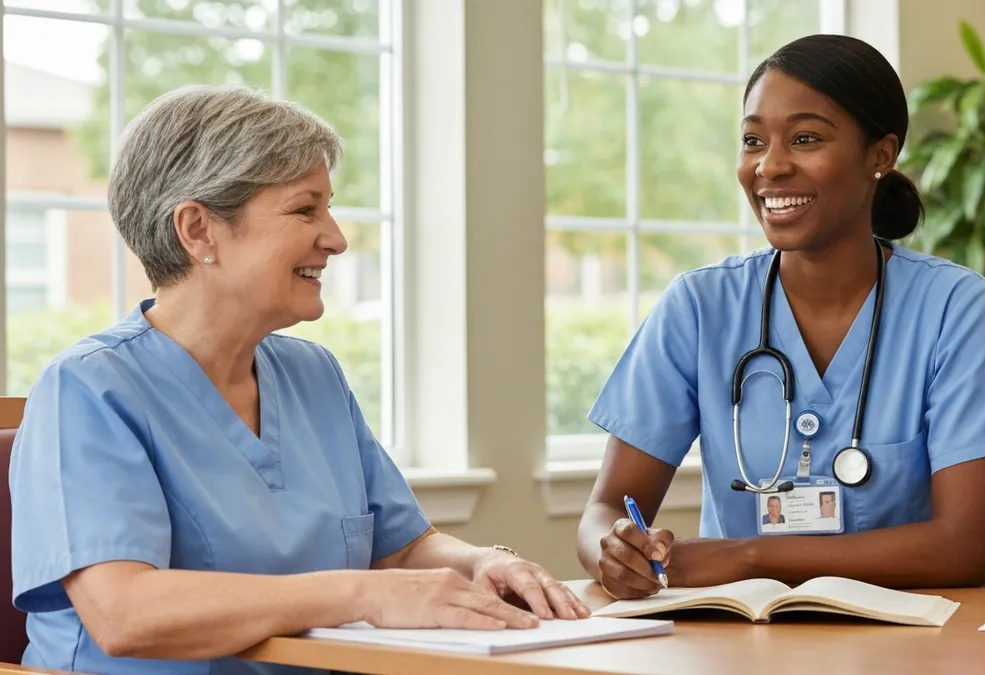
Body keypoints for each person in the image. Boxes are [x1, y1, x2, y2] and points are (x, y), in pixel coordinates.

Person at [9, 84, 590, 675]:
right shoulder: (87, 390)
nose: (336, 238)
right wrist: (361, 595)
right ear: (198, 230)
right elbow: (124, 613)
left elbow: (402, 549)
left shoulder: (315, 375)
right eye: (305, 209)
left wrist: (479, 564)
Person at [576, 34, 985, 599]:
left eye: (805, 139)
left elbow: (963, 549)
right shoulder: (700, 307)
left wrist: (748, 556)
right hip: (744, 640)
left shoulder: (957, 309)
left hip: (922, 640)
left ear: (881, 154)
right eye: (753, 141)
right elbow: (604, 510)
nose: (769, 167)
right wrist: (616, 551)